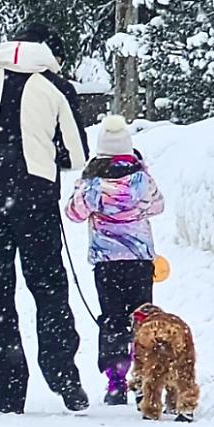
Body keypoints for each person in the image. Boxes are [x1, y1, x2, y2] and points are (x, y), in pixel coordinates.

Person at [0, 23, 90, 414]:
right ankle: (62, 373)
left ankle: (8, 389)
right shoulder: (56, 87)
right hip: (36, 202)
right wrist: (48, 150)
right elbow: (77, 155)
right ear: (49, 52)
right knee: (49, 290)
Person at [65, 115, 165, 405]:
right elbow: (158, 206)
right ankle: (145, 379)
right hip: (139, 259)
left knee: (112, 319)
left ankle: (116, 382)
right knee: (142, 319)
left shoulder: (92, 183)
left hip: (107, 262)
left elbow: (73, 213)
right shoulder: (142, 179)